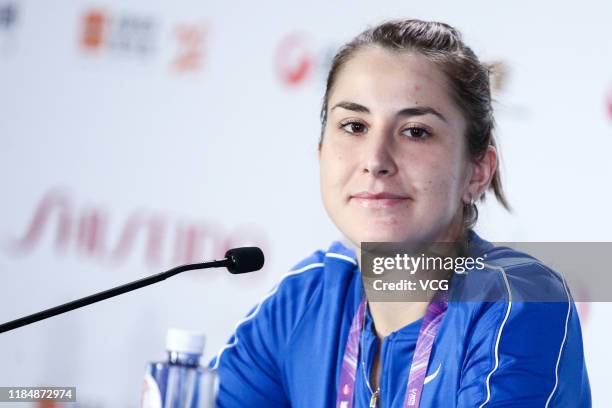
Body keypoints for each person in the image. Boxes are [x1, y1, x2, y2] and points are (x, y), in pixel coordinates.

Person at [209, 19, 591, 407]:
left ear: (477, 171)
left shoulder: (514, 303)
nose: (375, 161)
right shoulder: (307, 298)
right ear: (321, 152)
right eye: (354, 125)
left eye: (415, 131)